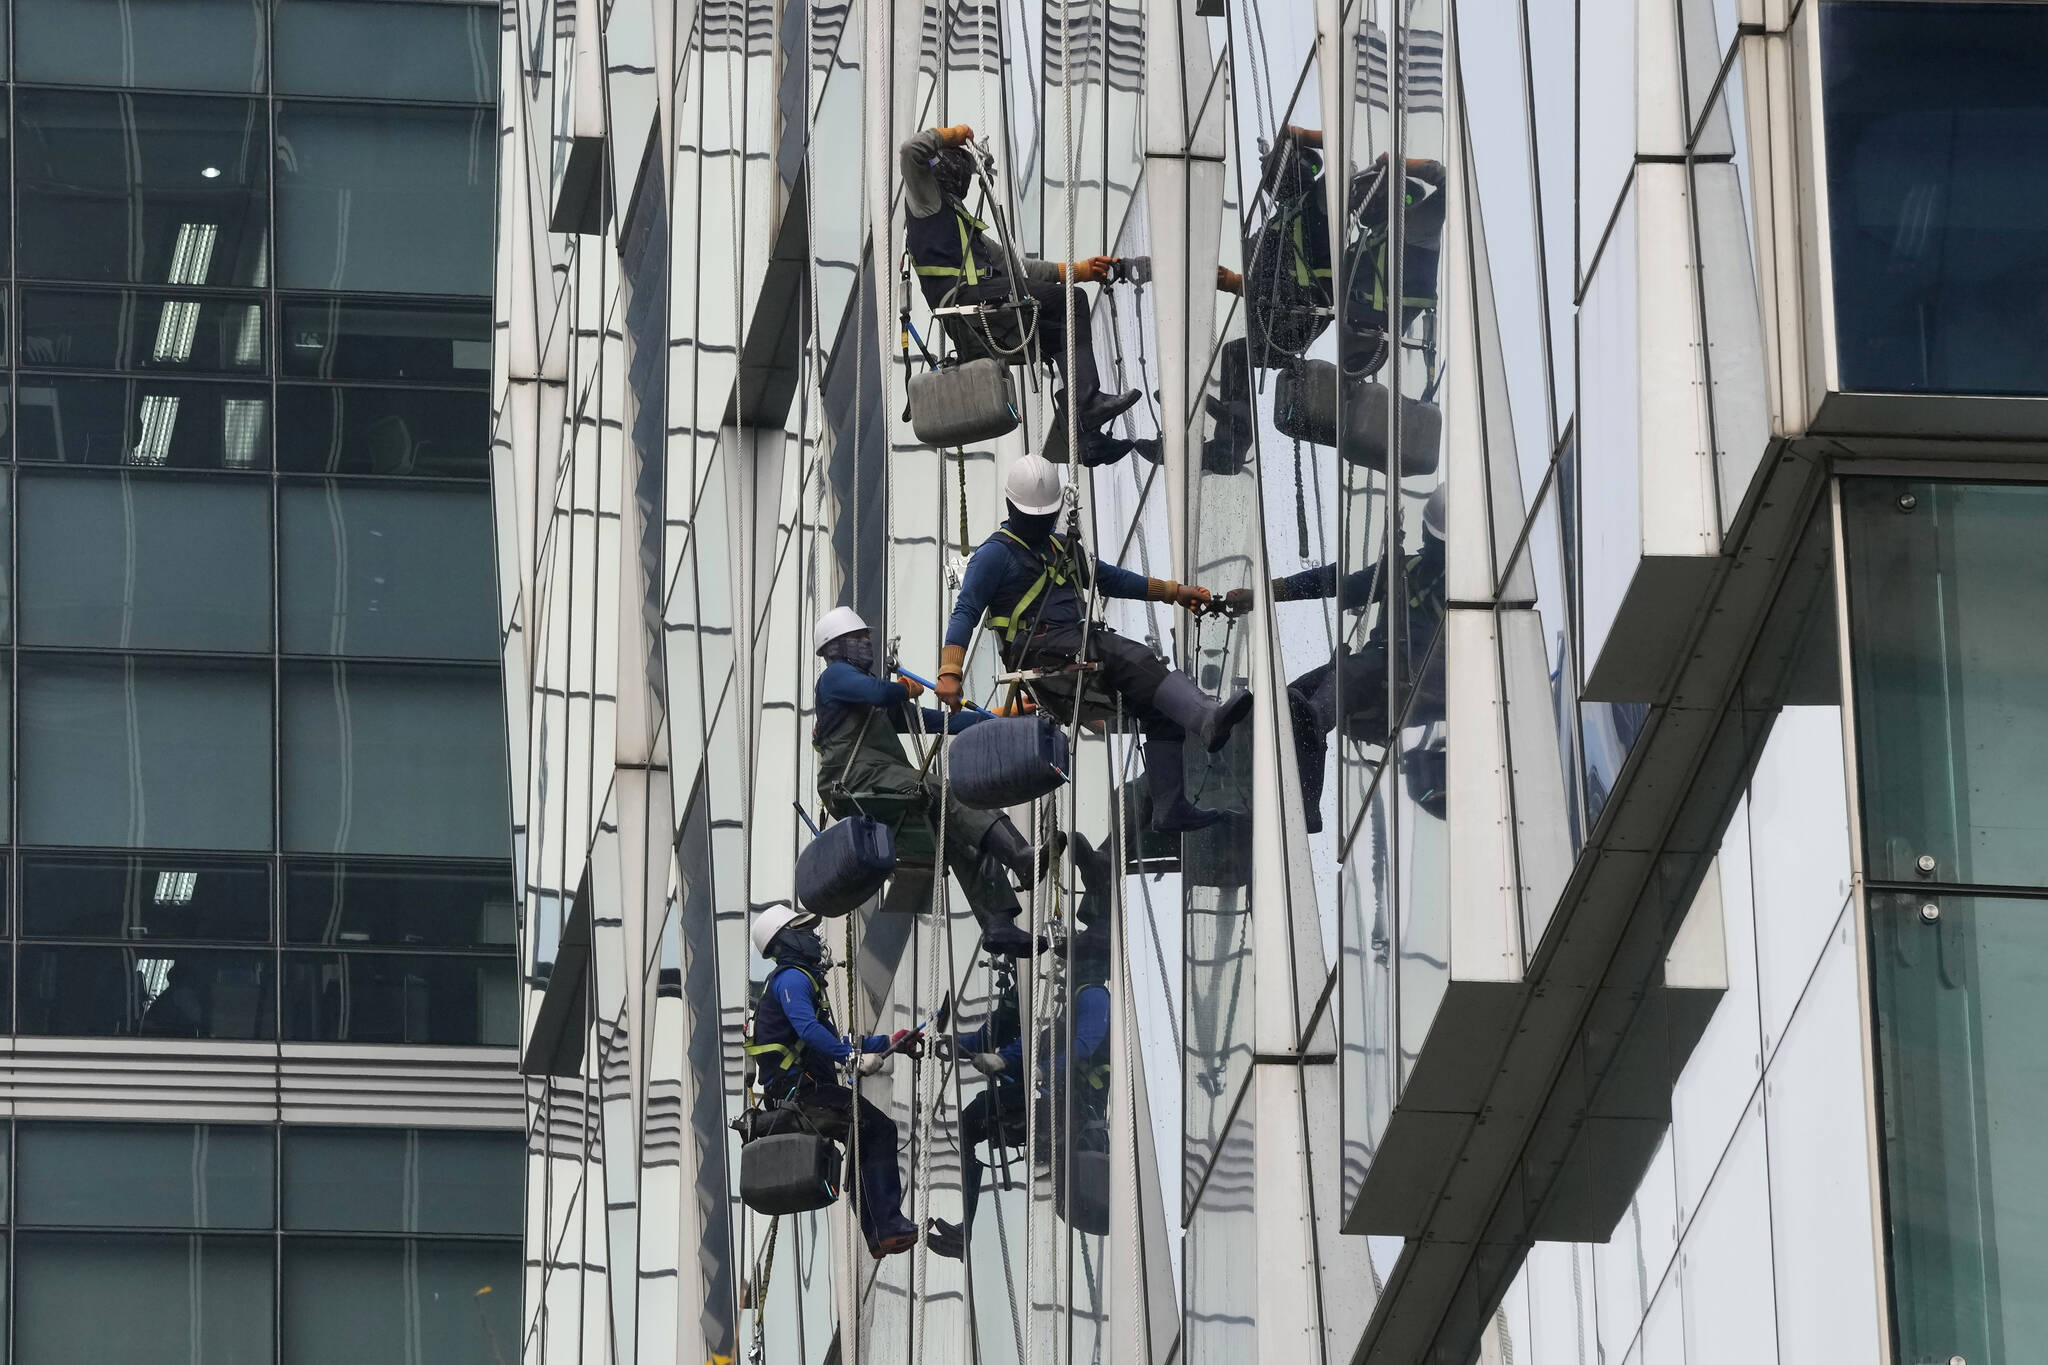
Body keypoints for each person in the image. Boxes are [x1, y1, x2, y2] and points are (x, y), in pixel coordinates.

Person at [934, 455, 1255, 832]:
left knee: (1157, 705)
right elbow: (966, 609)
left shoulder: (1059, 548)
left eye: (1045, 517)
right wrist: (950, 671)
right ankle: (1206, 717)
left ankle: (1170, 806)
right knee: (1130, 656)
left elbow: (1109, 578)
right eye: (1034, 518)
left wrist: (1174, 592)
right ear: (1012, 509)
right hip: (1037, 649)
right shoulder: (995, 555)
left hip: (1073, 644)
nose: (1041, 524)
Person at [814, 606, 1050, 957]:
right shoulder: (835, 679)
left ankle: (997, 923)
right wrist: (902, 689)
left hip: (882, 783)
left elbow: (942, 723)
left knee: (961, 833)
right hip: (856, 781)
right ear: (838, 648)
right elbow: (882, 693)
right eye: (859, 640)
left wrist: (1003, 715)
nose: (867, 645)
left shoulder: (866, 698)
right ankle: (1018, 855)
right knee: (947, 791)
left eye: (866, 639)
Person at [900, 124, 1139, 435]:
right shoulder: (927, 204)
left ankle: (1086, 435)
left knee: (1058, 335)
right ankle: (1087, 402)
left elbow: (1018, 268)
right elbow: (910, 152)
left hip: (978, 302)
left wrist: (1078, 270)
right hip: (965, 300)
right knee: (1073, 301)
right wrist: (954, 134)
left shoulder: (961, 225)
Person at [1237, 486, 1446, 833]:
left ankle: (1310, 755)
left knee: (1317, 703)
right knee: (1287, 701)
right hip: (1381, 668)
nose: (1427, 542)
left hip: (1414, 676)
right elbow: (1339, 584)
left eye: (1433, 538)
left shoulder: (1460, 583)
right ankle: (1293, 798)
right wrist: (1266, 592)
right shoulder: (1406, 568)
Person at [926, 911, 1114, 1259]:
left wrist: (1040, 1071)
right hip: (1058, 1100)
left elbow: (1083, 1044)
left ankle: (964, 1226)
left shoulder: (1093, 998)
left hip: (1070, 1105)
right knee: (973, 1119)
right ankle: (963, 1226)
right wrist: (954, 1046)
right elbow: (1022, 1046)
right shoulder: (1075, 1002)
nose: (1063, 969)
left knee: (973, 1119)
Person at [744, 906, 926, 1259]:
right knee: (878, 1129)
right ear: (787, 940)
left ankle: (881, 1232)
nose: (814, 938)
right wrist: (853, 1060)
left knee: (866, 1135)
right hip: (803, 1095)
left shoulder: (798, 982)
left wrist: (891, 1042)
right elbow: (809, 1031)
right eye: (805, 932)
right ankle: (884, 1226)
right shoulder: (792, 979)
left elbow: (834, 1040)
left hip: (804, 1092)